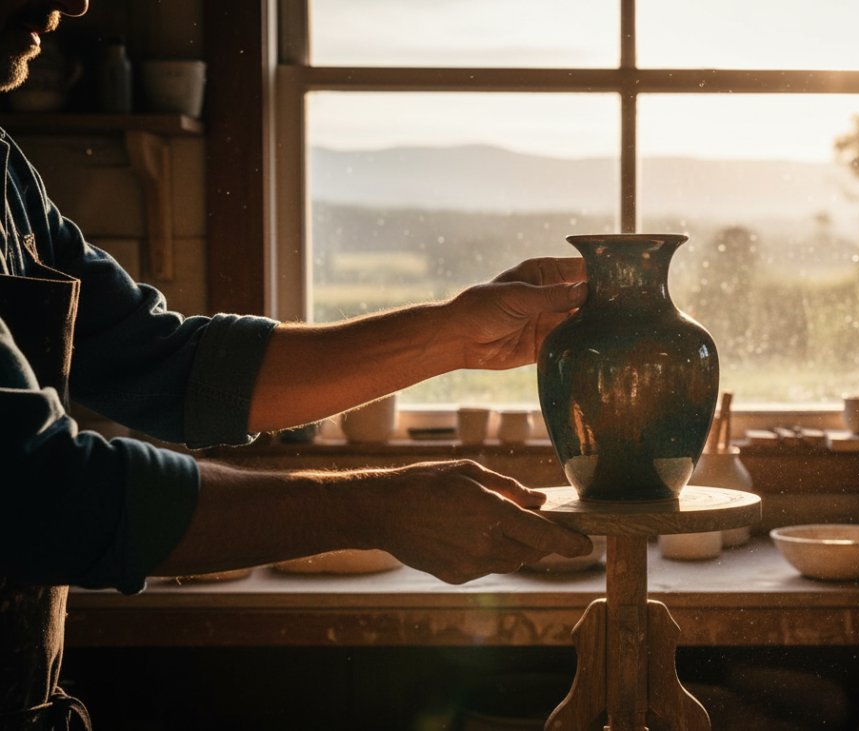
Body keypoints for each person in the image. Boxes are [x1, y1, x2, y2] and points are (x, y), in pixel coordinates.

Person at [0, 1, 594, 728]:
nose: (76, 3)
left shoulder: (7, 177)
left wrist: (455, 335)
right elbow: (42, 494)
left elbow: (171, 369)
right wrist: (372, 506)